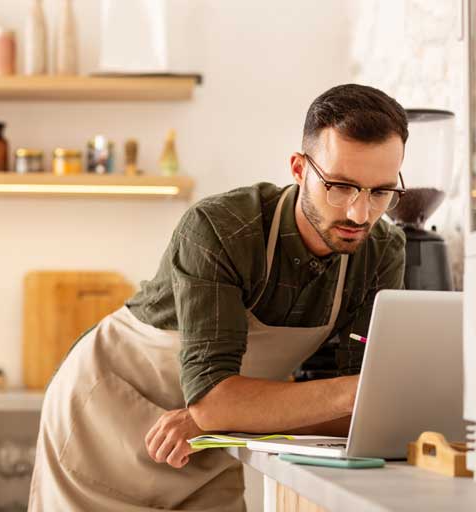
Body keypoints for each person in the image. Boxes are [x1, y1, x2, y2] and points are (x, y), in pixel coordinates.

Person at [28, 83, 408, 511]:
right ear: (299, 169)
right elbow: (215, 397)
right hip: (104, 421)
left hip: (212, 440)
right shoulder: (220, 228)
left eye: (381, 192)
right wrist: (218, 410)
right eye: (340, 186)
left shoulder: (381, 251)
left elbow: (363, 418)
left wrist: (217, 417)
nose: (360, 214)